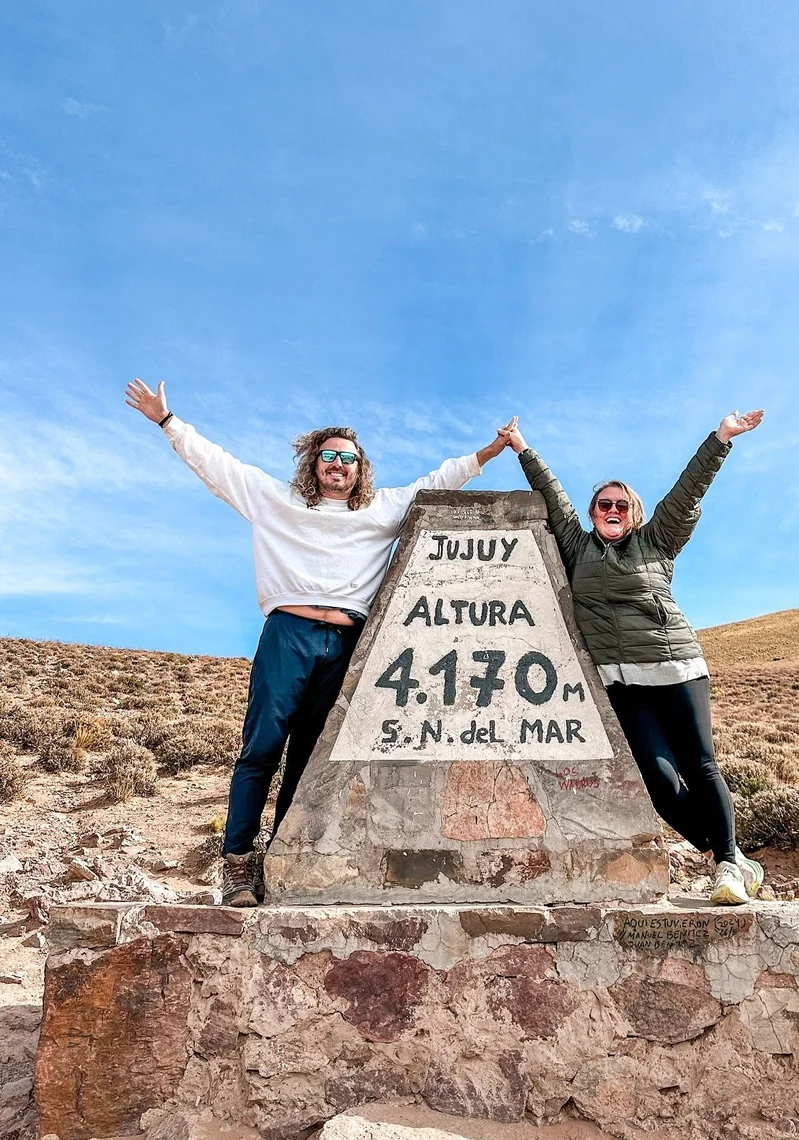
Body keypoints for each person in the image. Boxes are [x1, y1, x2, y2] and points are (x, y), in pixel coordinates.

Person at [126, 378, 516, 906]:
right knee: (262, 747)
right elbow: (218, 466)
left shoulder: (379, 511)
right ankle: (238, 865)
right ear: (314, 463)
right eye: (329, 456)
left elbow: (439, 480)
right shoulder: (275, 501)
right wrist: (168, 422)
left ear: (360, 469)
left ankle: (283, 859)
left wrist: (490, 452)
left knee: (309, 758)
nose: (338, 465)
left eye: (348, 459)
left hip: (346, 645)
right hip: (290, 634)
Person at [505, 409, 764, 905]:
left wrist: (721, 437)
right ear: (593, 511)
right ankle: (731, 854)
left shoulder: (656, 542)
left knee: (701, 765)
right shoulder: (578, 548)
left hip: (675, 668)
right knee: (661, 785)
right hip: (623, 684)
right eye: (604, 503)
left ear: (636, 513)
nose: (613, 509)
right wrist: (521, 446)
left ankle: (728, 863)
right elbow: (552, 494)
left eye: (622, 504)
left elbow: (689, 491)